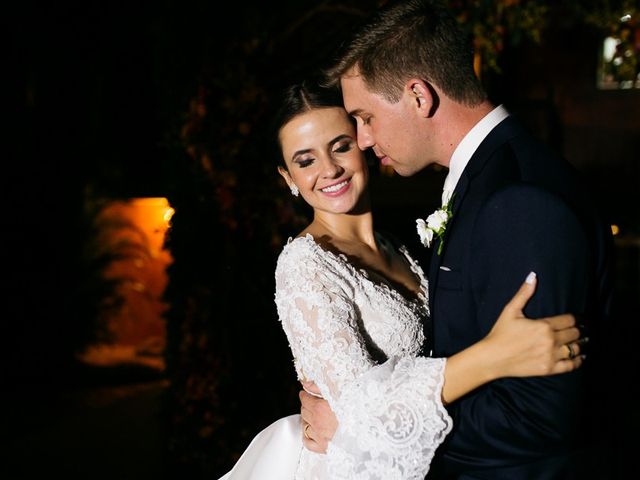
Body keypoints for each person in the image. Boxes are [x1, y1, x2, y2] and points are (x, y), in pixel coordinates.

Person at [300, 0, 614, 478]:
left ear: (418, 96)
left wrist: (362, 431)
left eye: (366, 117)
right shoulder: (493, 177)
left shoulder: (518, 200)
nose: (361, 139)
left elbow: (533, 417)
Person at [219, 79, 584, 480]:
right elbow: (362, 413)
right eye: (305, 161)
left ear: (363, 144)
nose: (330, 169)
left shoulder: (399, 248)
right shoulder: (306, 265)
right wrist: (495, 354)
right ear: (288, 177)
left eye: (340, 145)